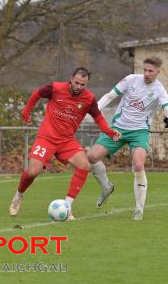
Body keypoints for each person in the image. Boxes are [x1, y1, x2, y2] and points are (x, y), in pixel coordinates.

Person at [9, 67, 121, 220]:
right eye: (76, 83)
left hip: (66, 141)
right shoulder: (55, 88)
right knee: (33, 171)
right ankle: (18, 196)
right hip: (46, 138)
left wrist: (109, 131)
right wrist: (26, 111)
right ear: (71, 78)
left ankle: (67, 207)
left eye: (83, 84)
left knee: (85, 165)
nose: (79, 87)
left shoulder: (88, 98)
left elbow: (98, 117)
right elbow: (37, 93)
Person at [87, 57, 168, 221]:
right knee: (91, 157)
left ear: (158, 72)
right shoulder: (131, 80)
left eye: (150, 71)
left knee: (139, 164)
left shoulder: (159, 90)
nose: (146, 74)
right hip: (118, 128)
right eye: (145, 70)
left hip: (139, 131)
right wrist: (95, 110)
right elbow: (109, 96)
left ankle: (139, 209)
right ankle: (106, 187)